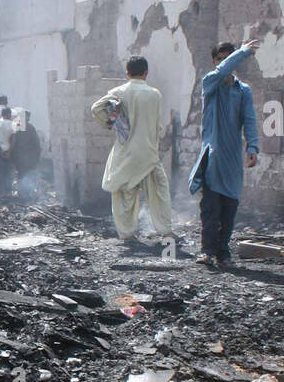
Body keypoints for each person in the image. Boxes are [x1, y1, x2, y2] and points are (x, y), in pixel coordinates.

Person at [191, 39, 261, 266]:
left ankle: (223, 252)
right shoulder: (210, 82)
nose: (224, 63)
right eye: (220, 59)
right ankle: (207, 251)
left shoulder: (243, 91)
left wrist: (252, 147)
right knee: (210, 208)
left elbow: (249, 119)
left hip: (231, 158)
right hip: (212, 157)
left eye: (228, 58)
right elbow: (222, 71)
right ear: (214, 61)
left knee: (229, 209)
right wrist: (242, 52)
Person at [93, 55, 173, 242]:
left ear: (127, 73)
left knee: (124, 194)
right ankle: (166, 231)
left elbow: (96, 108)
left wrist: (109, 121)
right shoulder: (154, 94)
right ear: (146, 73)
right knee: (159, 191)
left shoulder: (117, 93)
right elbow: (155, 125)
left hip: (125, 152)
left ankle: (127, 234)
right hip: (148, 153)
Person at [12, 111, 42, 200]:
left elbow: (13, 144)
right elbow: (37, 144)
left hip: (21, 158)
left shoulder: (17, 128)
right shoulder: (30, 127)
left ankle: (23, 194)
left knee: (22, 175)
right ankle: (28, 194)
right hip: (28, 158)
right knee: (28, 175)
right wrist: (37, 157)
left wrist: (14, 158)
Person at [0, 106, 15, 195]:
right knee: (8, 173)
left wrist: (0, 150)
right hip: (9, 152)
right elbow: (13, 139)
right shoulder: (13, 124)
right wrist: (9, 151)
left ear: (2, 114)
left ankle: (0, 192)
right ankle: (8, 192)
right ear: (9, 115)